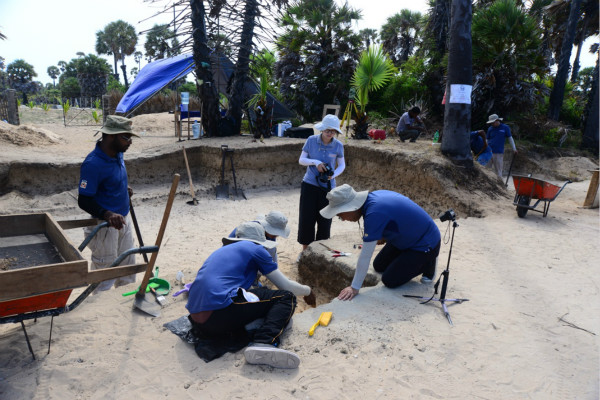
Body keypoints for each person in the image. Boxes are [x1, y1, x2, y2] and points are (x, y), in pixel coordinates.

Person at [186, 222, 316, 369]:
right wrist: (308, 291)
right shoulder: (256, 249)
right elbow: (286, 286)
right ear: (260, 240)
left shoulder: (223, 250)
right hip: (218, 313)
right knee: (285, 298)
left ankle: (252, 329)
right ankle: (264, 342)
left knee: (260, 301)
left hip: (198, 321)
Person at [320, 184, 441, 301]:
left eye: (340, 215)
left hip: (426, 243)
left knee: (390, 280)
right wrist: (383, 235)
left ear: (351, 207)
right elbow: (396, 219)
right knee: (379, 265)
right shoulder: (372, 199)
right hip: (410, 237)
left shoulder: (374, 214)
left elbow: (365, 256)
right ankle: (409, 260)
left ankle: (428, 262)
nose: (343, 219)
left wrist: (354, 287)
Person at [77, 115, 139, 293]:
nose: (130, 142)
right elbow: (84, 199)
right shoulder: (93, 164)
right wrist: (107, 214)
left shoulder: (118, 154)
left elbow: (110, 180)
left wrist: (123, 188)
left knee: (127, 268)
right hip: (105, 226)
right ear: (111, 136)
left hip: (124, 219)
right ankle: (99, 311)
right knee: (105, 273)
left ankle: (122, 306)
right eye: (126, 137)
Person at [298, 113, 345, 251]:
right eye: (328, 130)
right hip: (310, 185)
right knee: (307, 218)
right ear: (322, 129)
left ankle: (320, 252)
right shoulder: (311, 140)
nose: (330, 133)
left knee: (325, 220)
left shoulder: (338, 145)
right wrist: (316, 162)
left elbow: (342, 165)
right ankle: (305, 251)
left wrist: (333, 175)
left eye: (333, 131)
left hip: (328, 187)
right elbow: (301, 160)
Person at [486, 114, 517, 178]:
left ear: (497, 120)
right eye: (491, 123)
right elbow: (487, 140)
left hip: (498, 152)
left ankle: (500, 185)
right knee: (487, 169)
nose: (492, 124)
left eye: (492, 122)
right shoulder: (490, 129)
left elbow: (510, 138)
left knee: (498, 170)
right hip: (489, 151)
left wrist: (514, 148)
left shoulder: (505, 127)